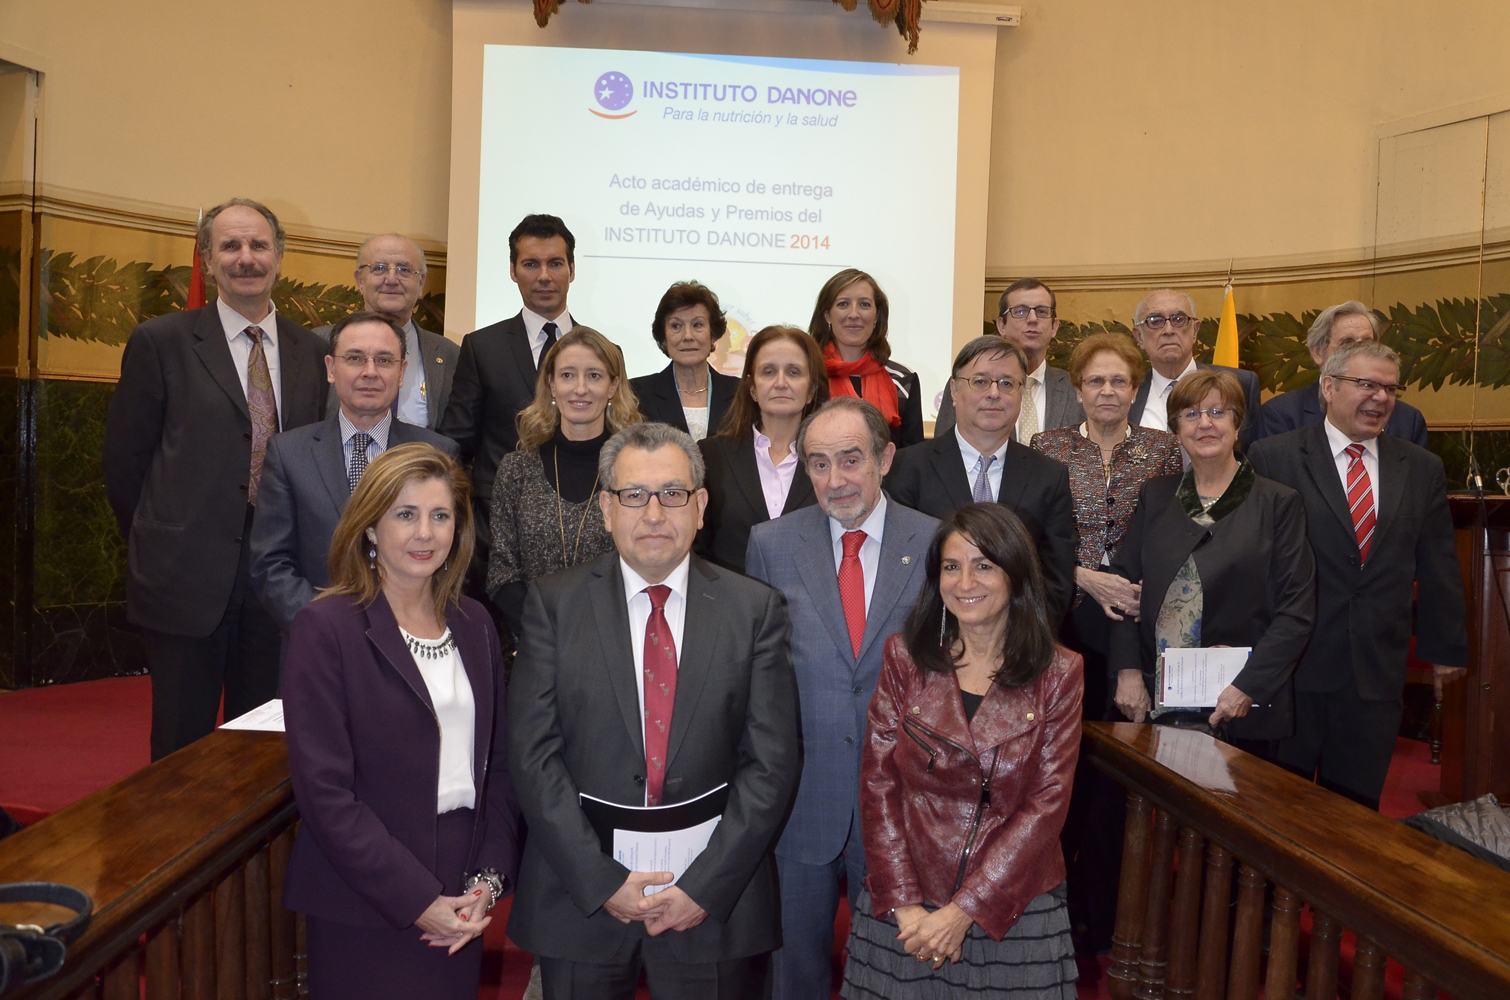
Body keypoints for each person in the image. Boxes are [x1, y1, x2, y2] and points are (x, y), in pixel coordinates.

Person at [507, 422, 800, 999]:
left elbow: (770, 765)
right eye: (633, 495)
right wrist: (600, 881)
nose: (654, 513)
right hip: (582, 901)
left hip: (713, 903)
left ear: (701, 506)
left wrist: (705, 888)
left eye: (673, 493)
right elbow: (533, 757)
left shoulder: (754, 610)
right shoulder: (554, 605)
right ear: (607, 510)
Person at [281, 443, 520, 1000]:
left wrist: (486, 879)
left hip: (462, 892)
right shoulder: (326, 628)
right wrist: (416, 900)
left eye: (441, 516)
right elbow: (325, 794)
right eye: (405, 515)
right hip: (366, 899)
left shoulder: (474, 621)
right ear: (369, 527)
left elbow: (500, 768)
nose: (426, 534)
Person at [102, 198, 329, 760]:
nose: (245, 258)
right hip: (185, 578)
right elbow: (125, 463)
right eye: (230, 246)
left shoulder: (314, 351)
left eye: (258, 245)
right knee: (181, 746)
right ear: (206, 259)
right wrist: (163, 538)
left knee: (266, 744)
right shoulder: (161, 341)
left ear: (280, 256)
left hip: (280, 577)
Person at [842, 504, 1082, 1000]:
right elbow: (879, 784)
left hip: (1010, 906)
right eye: (952, 566)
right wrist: (905, 902)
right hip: (907, 900)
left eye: (984, 565)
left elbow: (1046, 807)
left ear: (1016, 575)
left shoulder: (1059, 673)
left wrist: (963, 910)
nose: (965, 581)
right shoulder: (905, 657)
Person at [745, 398, 938, 1000]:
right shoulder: (771, 544)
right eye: (819, 463)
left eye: (851, 460)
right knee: (791, 971)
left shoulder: (936, 543)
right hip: (801, 798)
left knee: (890, 972)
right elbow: (757, 674)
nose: (835, 480)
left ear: (885, 457)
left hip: (902, 800)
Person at [1249, 342, 1467, 809]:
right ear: (1329, 387)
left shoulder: (1421, 467)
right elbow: (1253, 560)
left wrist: (1443, 649)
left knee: (1355, 812)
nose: (1381, 398)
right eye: (1366, 384)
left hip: (1375, 670)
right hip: (1294, 666)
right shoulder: (1274, 457)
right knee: (1276, 808)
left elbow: (1438, 562)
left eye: (1390, 388)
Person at [1109, 370, 1316, 752]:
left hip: (1238, 705)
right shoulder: (1155, 496)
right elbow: (1122, 588)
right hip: (1156, 700)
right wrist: (1127, 671)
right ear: (1176, 429)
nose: (1204, 423)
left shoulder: (1278, 503)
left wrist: (1247, 687)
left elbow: (1296, 612)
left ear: (1238, 425)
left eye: (1218, 412)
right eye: (1191, 414)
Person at [251, 311, 457, 634]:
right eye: (355, 358)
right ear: (332, 369)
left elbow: (452, 561)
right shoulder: (288, 453)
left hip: (410, 642)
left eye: (384, 360)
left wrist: (402, 624)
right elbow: (271, 565)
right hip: (318, 646)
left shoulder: (437, 454)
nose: (370, 372)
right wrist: (332, 626)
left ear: (402, 372)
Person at [1029, 332, 1183, 714]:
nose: (1107, 391)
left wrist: (1148, 588)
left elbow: (1172, 531)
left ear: (1135, 389)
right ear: (1079, 391)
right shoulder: (1046, 447)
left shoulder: (1163, 448)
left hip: (1136, 608)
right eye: (1095, 381)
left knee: (1131, 724)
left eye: (1119, 381)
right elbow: (1033, 535)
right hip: (1068, 605)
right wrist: (1080, 574)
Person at [885, 337, 1079, 628]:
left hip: (1019, 647)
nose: (993, 393)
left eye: (1007, 383)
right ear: (954, 389)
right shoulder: (907, 468)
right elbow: (898, 569)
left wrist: (1013, 643)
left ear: (1021, 393)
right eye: (980, 381)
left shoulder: (1049, 476)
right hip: (929, 641)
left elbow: (1056, 579)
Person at [485, 327, 641, 639]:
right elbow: (502, 572)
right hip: (531, 642)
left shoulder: (636, 471)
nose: (580, 389)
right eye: (568, 375)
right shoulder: (517, 469)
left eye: (594, 376)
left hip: (619, 640)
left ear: (613, 386)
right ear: (551, 385)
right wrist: (544, 634)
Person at [440, 214, 581, 534]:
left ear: (572, 270)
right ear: (513, 270)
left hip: (580, 523)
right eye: (531, 264)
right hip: (496, 527)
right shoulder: (482, 347)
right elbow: (456, 443)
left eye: (556, 264)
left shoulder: (601, 351)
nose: (544, 276)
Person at [696, 325, 828, 574]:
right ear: (753, 389)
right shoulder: (711, 456)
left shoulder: (831, 461)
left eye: (793, 372)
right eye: (768, 372)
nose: (780, 383)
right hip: (731, 606)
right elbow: (697, 547)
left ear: (811, 390)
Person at [314, 234, 458, 429]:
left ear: (421, 283)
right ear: (360, 280)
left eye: (404, 269)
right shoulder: (317, 344)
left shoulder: (450, 355)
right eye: (379, 268)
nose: (391, 279)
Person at [1255, 301, 1429, 447]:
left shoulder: (1408, 420)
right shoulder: (1281, 415)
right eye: (1347, 343)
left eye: (1367, 343)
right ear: (1318, 352)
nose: (1359, 352)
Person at [935, 278, 1085, 438]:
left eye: (1042, 312)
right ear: (1002, 326)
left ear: (1054, 327)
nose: (1033, 319)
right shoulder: (968, 383)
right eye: (1021, 311)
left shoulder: (1075, 388)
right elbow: (943, 450)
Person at [1126, 289, 1262, 449]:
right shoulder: (1126, 394)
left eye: (1178, 319)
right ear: (1139, 337)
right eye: (1155, 321)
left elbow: (1255, 455)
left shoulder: (1241, 384)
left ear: (1195, 331)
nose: (1168, 330)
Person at [809, 268, 924, 448]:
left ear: (877, 315)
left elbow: (913, 455)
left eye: (864, 304)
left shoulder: (903, 380)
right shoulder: (808, 377)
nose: (854, 314)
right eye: (843, 304)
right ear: (827, 315)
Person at [629, 281, 741, 440]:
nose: (688, 336)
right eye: (676, 326)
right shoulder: (636, 394)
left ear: (713, 335)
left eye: (697, 325)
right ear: (663, 338)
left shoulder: (739, 393)